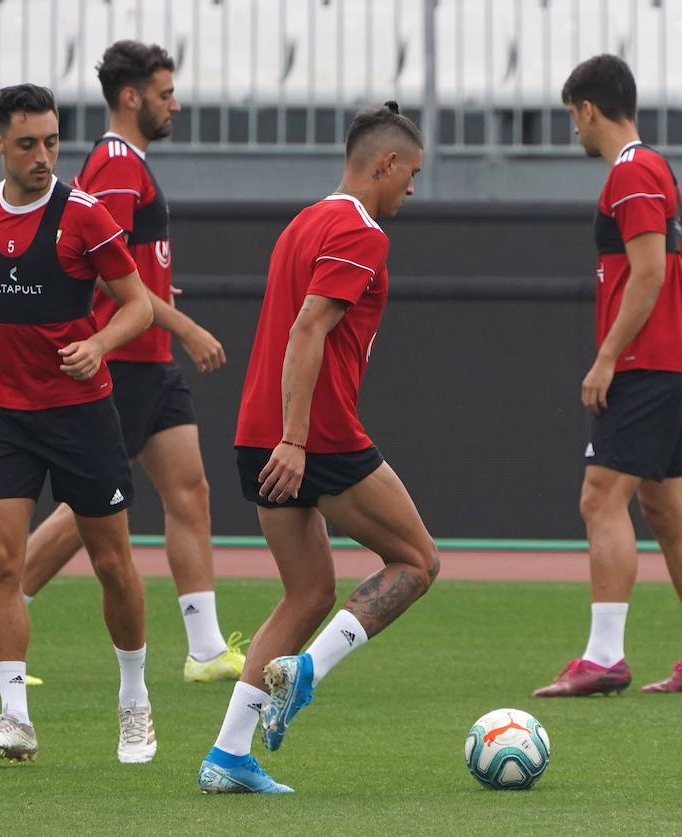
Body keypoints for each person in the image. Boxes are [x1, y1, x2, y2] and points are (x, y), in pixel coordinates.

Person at [0, 41, 245, 689]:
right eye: (166, 93)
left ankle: (204, 646)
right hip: (126, 358)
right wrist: (184, 325)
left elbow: (131, 267)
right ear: (133, 97)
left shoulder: (127, 162)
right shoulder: (114, 164)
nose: (176, 103)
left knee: (189, 489)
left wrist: (166, 301)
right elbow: (102, 271)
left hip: (150, 357)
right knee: (92, 510)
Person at [196, 102, 438, 795]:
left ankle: (228, 755)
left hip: (256, 436)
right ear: (383, 164)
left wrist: (281, 438)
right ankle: (307, 672)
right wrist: (299, 439)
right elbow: (307, 330)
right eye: (411, 174)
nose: (412, 190)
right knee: (419, 560)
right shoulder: (358, 231)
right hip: (314, 437)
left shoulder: (303, 221)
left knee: (306, 593)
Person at [0, 83, 158, 764]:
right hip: (4, 412)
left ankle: (134, 699)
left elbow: (137, 304)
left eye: (51, 141)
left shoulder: (84, 216)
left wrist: (100, 345)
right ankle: (15, 717)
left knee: (113, 563)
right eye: (27, 144)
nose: (43, 156)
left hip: (81, 413)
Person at [534, 54, 682, 698]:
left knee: (601, 498)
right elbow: (676, 274)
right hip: (673, 362)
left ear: (590, 109)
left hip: (646, 366)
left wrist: (607, 358)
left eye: (574, 117)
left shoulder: (632, 171)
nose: (575, 131)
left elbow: (650, 274)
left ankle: (603, 658)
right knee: (667, 508)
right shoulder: (660, 171)